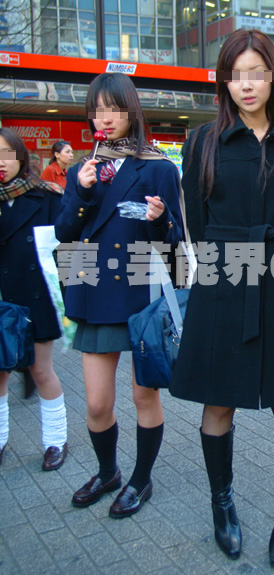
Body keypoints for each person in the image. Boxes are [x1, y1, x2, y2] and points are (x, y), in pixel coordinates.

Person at [169, 29, 274, 568]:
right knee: (219, 402)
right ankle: (223, 506)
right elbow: (195, 221)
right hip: (222, 281)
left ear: (273, 76)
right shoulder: (202, 142)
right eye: (236, 73)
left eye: (256, 72)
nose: (246, 84)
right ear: (224, 79)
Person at [55, 73, 183, 518]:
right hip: (96, 293)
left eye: (113, 109)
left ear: (132, 112)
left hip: (143, 295)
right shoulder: (81, 171)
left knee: (144, 396)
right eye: (97, 110)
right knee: (95, 402)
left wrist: (159, 219)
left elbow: (175, 243)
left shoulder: (160, 167)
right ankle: (108, 471)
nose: (104, 119)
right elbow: (65, 233)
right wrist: (84, 194)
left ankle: (141, 479)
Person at [0, 127, 68, 470]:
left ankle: (56, 440)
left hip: (37, 299)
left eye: (5, 154)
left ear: (21, 157)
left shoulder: (48, 197)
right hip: (2, 302)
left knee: (41, 372)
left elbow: (67, 249)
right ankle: (0, 440)